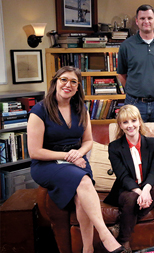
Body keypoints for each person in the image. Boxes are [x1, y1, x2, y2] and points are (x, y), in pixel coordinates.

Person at [28, 66, 126, 253]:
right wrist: (68, 156)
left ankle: (87, 249)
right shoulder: (39, 110)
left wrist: (79, 153)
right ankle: (105, 235)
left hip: (76, 160)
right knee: (83, 180)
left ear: (78, 87)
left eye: (74, 82)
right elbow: (35, 152)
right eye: (64, 79)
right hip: (47, 163)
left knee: (82, 193)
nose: (68, 84)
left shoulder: (81, 108)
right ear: (55, 82)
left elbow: (88, 141)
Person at [104, 105, 154, 252]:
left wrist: (146, 189)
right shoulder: (114, 147)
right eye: (125, 122)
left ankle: (119, 226)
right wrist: (139, 192)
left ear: (140, 122)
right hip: (126, 189)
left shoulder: (153, 143)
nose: (130, 125)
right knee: (131, 199)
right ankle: (124, 242)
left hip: (147, 186)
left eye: (133, 120)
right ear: (120, 125)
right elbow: (122, 175)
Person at [117, 4, 154, 122]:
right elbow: (121, 74)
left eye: (149, 18)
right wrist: (134, 91)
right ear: (137, 21)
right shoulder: (126, 46)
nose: (146, 21)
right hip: (134, 104)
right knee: (135, 139)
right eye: (142, 18)